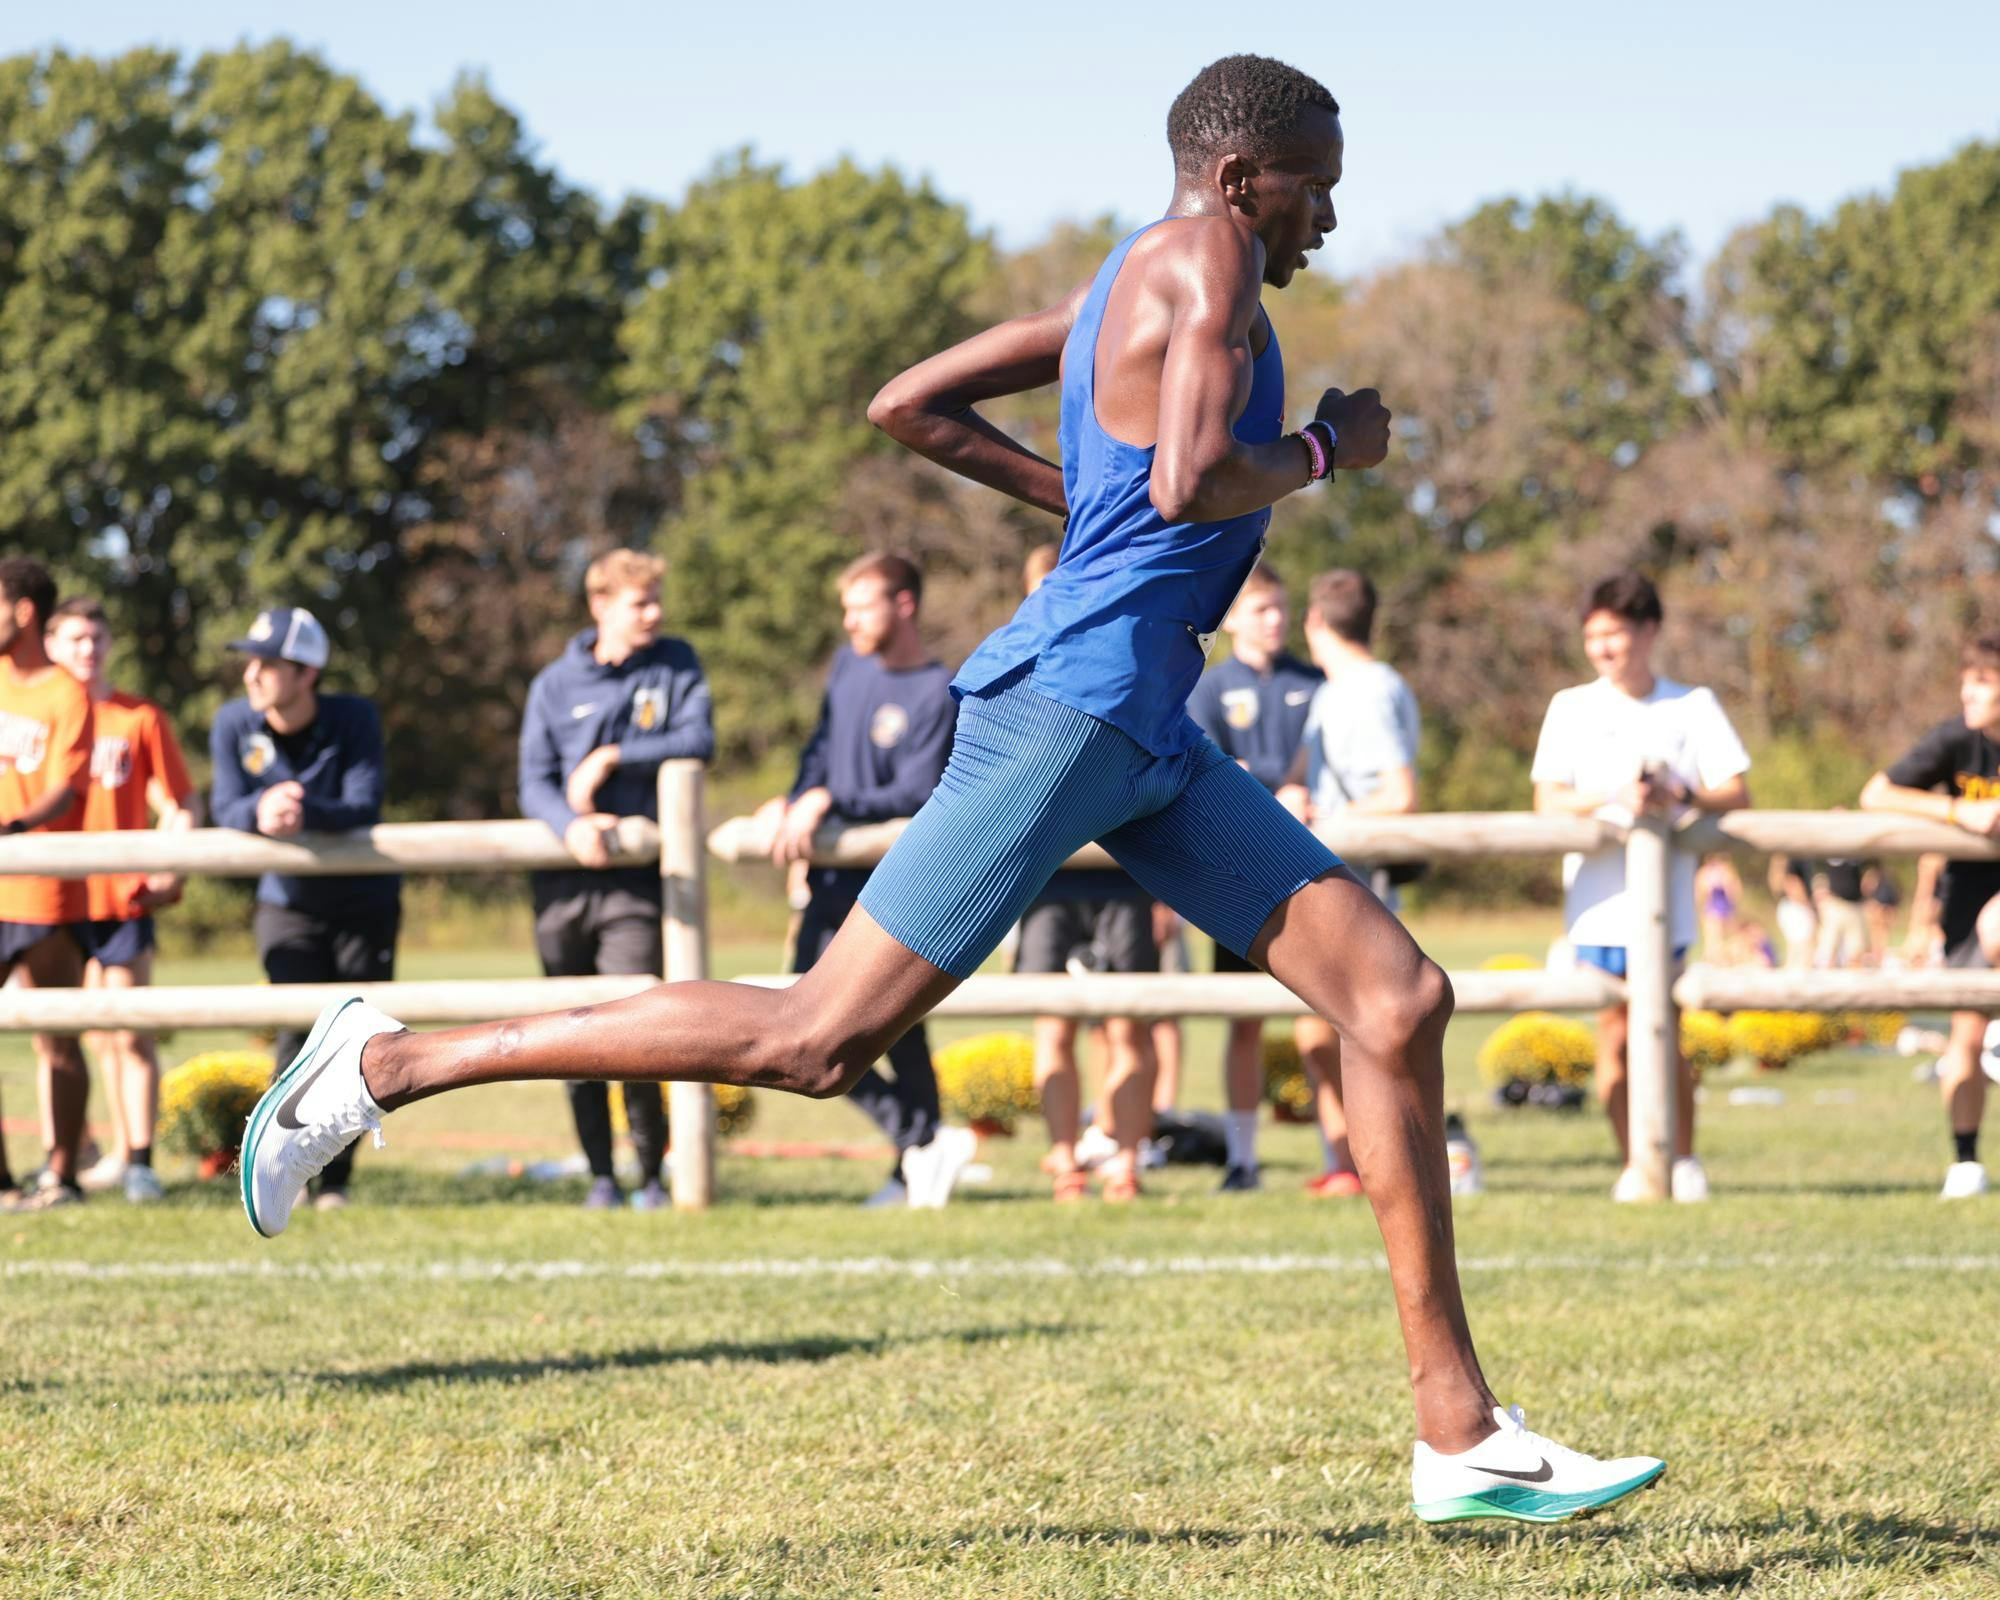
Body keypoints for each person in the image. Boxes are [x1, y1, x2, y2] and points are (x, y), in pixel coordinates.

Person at [243, 54, 1664, 1522]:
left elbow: (907, 403)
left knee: (1397, 1000)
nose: (1326, 218)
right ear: (1243, 177)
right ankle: (388, 1063)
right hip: (1073, 710)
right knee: (811, 1040)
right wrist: (1323, 449)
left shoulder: (1130, 277)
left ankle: (1460, 1434)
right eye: (1315, 186)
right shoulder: (1216, 261)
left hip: (1143, 723)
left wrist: (1085, 504)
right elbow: (1186, 485)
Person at [755, 551, 976, 1209]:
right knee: (802, 1006)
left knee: (893, 1023)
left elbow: (917, 790)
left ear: (903, 605)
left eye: (862, 606)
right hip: (829, 881)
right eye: (845, 608)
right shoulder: (848, 668)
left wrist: (832, 800)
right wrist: (796, 798)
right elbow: (818, 752)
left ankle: (915, 1156)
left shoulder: (939, 691)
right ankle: (922, 1140)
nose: (850, 621)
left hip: (897, 882)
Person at [1531, 572, 1751, 1204]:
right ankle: (1636, 1161)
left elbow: (1736, 789)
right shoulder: (1571, 706)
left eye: (1615, 634)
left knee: (1666, 1033)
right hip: (1595, 910)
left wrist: (1679, 793)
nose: (1603, 648)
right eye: (1593, 636)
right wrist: (1616, 797)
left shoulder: (1692, 704)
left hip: (1670, 910)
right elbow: (1549, 799)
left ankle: (1681, 1157)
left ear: (1649, 632)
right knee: (1616, 1036)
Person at [519, 548, 714, 1211]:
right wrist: (566, 824)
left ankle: (652, 1178)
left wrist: (612, 755)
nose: (654, 614)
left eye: (657, 600)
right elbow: (533, 781)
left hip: (635, 884)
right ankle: (601, 1175)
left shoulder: (675, 663)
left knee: (636, 1029)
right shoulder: (554, 683)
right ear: (600, 606)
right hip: (562, 884)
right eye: (640, 603)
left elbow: (698, 739)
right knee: (570, 1034)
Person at [212, 605, 397, 1213]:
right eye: (250, 661)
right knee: (295, 1036)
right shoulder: (233, 723)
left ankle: (338, 1184)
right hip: (285, 901)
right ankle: (280, 1174)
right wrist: (262, 811)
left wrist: (304, 809)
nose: (251, 675)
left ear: (306, 672)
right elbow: (225, 806)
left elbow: (364, 803)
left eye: (266, 662)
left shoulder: (354, 717)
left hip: (365, 903)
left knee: (360, 1041)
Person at [1012, 542, 1159, 1202]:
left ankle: (1126, 1161)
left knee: (1127, 1027)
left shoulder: (1132, 659)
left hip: (1122, 880)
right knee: (1052, 1028)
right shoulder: (1016, 668)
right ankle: (1064, 1159)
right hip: (1047, 884)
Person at [44, 597, 200, 1203]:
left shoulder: (137, 715)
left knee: (128, 1029)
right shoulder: (33, 718)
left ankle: (139, 1160)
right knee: (62, 1035)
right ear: (51, 644)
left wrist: (170, 861)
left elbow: (180, 802)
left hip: (119, 898)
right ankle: (79, 1154)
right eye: (76, 638)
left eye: (98, 637)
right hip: (50, 899)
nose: (89, 648)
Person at [1278, 568, 1420, 1199]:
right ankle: (1347, 1163)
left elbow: (1399, 793)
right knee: (1321, 1030)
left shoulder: (1364, 690)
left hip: (1358, 890)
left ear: (1315, 621)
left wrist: (1331, 821)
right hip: (1336, 884)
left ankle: (1368, 1165)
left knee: (1353, 1033)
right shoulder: (1341, 691)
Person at [1186, 560, 1320, 1191]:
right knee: (1243, 1019)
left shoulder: (1315, 682)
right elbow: (1206, 773)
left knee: (1324, 1015)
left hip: (1316, 871)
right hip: (1237, 874)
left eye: (1281, 610)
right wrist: (1274, 787)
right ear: (1233, 616)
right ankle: (1243, 1160)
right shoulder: (1207, 687)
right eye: (1263, 610)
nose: (1275, 622)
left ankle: (1339, 1157)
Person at [1859, 631, 2000, 1199]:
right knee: (1966, 1037)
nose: (1968, 692)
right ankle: (1965, 1161)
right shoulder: (1955, 741)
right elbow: (1876, 794)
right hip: (1966, 914)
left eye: (1983, 682)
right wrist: (1956, 810)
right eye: (1965, 681)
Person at [0, 559, 92, 1212]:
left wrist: (14, 825)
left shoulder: (66, 693)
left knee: (59, 1038)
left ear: (23, 610)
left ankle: (61, 1175)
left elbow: (67, 788)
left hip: (44, 886)